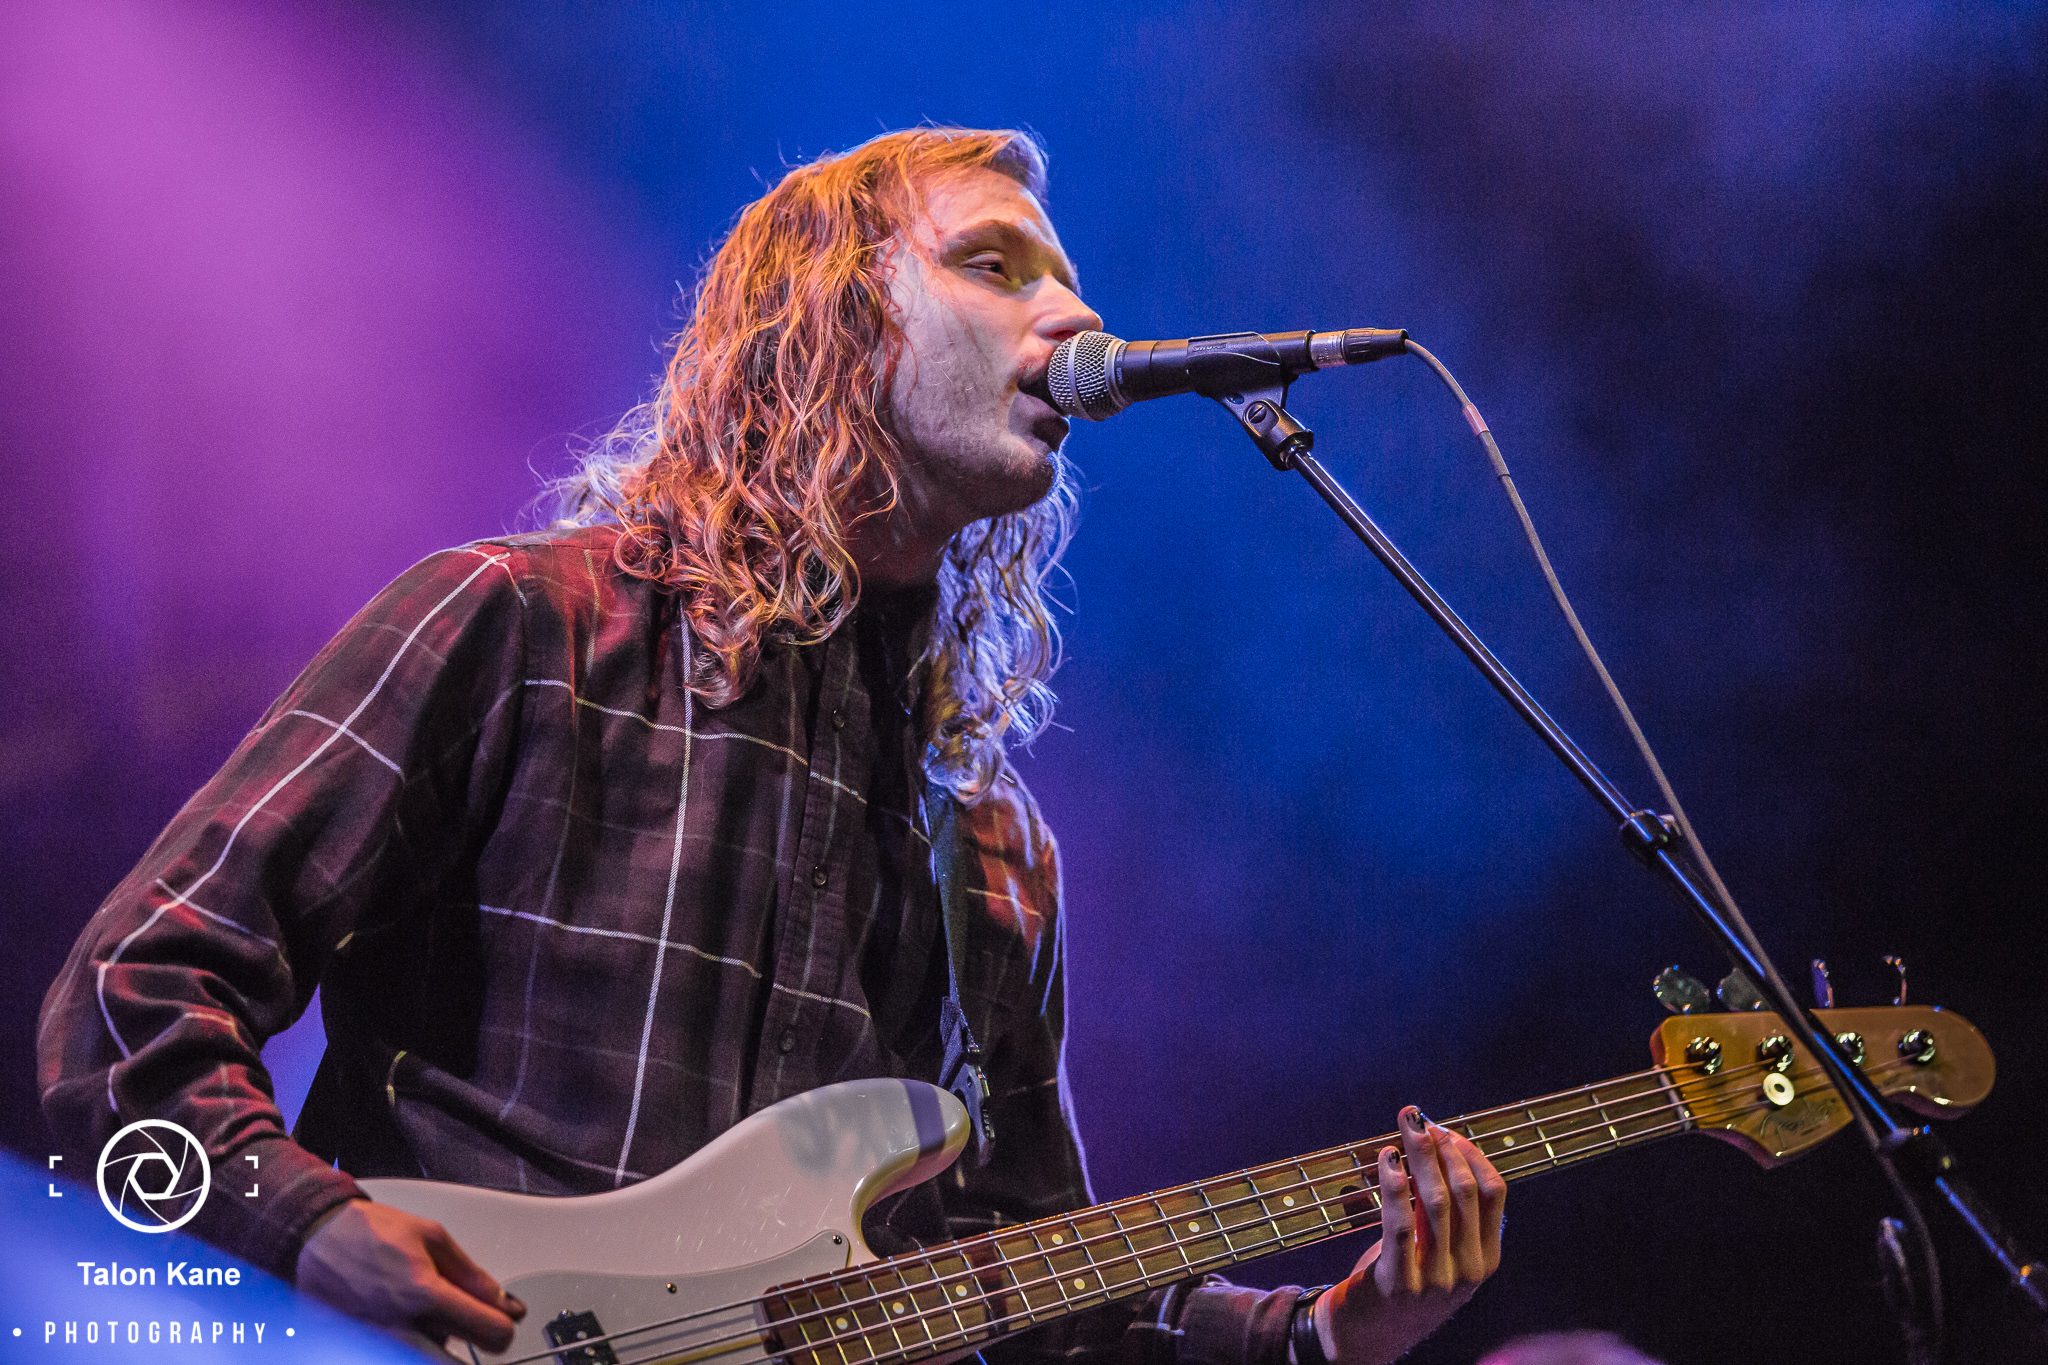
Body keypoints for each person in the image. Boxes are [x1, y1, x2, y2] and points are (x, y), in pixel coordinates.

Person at [38, 127, 1505, 1365]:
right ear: (829, 316)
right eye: (994, 265)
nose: (1072, 315)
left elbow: (1029, 1283)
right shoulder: (522, 629)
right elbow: (130, 995)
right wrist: (305, 1228)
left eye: (1064, 275)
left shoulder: (991, 850)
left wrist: (1332, 1330)